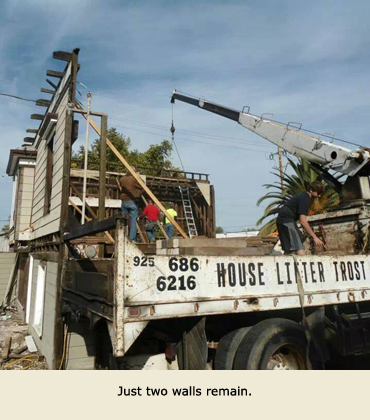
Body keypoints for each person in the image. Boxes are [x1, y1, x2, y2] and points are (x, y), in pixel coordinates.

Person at [277, 181, 325, 255]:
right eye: (318, 193)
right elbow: (303, 221)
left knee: (289, 249)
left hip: (281, 220)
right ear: (311, 190)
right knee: (298, 246)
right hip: (287, 221)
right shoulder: (305, 199)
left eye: (321, 194)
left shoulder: (302, 196)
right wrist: (314, 237)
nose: (319, 196)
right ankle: (305, 265)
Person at [119, 169, 144, 241]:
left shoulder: (122, 179)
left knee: (123, 220)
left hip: (124, 201)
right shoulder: (134, 179)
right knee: (133, 221)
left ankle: (122, 237)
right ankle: (132, 238)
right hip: (132, 201)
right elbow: (143, 184)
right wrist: (138, 177)